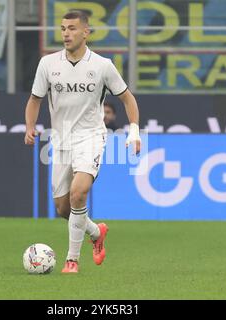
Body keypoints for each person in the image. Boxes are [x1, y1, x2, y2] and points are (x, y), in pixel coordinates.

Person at [24, 10, 141, 273]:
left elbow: (127, 99)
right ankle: (96, 232)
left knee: (79, 192)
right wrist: (30, 126)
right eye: (63, 28)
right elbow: (35, 99)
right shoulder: (48, 64)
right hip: (61, 140)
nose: (66, 33)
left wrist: (134, 129)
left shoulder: (102, 66)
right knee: (63, 208)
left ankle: (72, 260)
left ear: (86, 32)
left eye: (73, 28)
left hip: (90, 137)